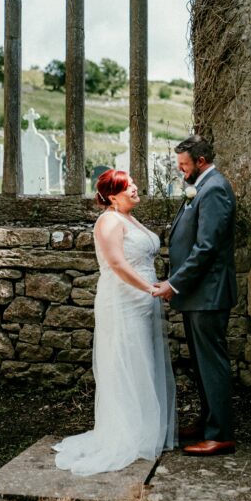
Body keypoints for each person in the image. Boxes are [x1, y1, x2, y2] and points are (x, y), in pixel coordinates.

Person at [53, 170, 177, 476]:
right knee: (124, 362)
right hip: (122, 301)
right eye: (128, 186)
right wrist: (150, 288)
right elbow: (118, 264)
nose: (135, 188)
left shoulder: (130, 218)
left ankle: (144, 429)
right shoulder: (108, 221)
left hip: (141, 302)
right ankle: (125, 433)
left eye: (134, 183)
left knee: (142, 363)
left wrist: (154, 286)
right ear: (112, 195)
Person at [152, 135, 237, 456]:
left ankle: (221, 434)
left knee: (211, 364)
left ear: (200, 161)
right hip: (198, 294)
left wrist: (174, 284)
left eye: (184, 164)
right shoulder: (201, 185)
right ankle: (207, 423)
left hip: (209, 294)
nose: (180, 170)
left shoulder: (214, 188)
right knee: (201, 365)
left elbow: (206, 247)